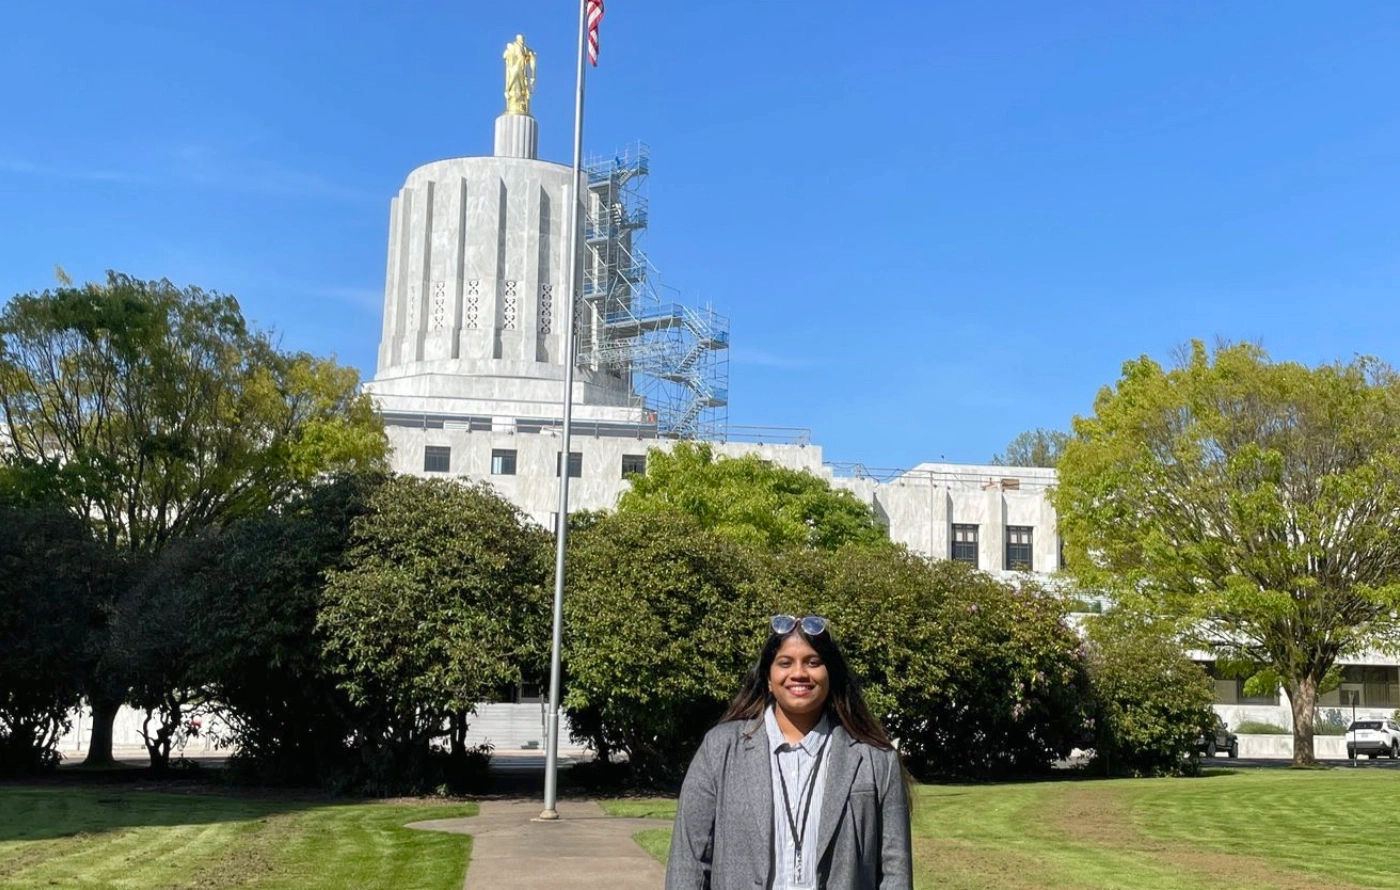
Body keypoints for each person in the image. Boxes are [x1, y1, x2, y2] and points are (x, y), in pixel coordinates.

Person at [666, 615, 913, 890]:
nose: (799, 673)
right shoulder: (720, 748)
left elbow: (895, 870)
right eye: (785, 663)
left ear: (830, 674)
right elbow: (688, 861)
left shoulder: (876, 759)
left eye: (813, 662)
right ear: (769, 679)